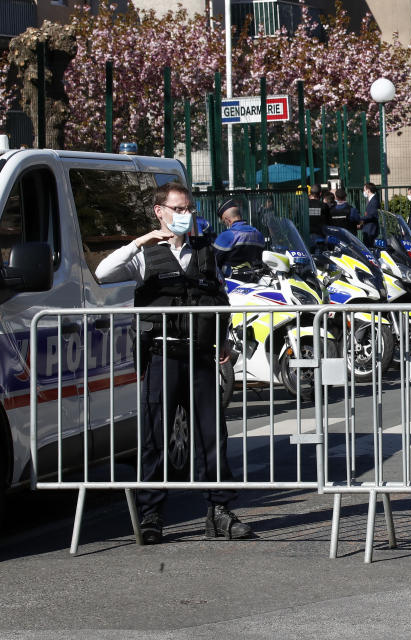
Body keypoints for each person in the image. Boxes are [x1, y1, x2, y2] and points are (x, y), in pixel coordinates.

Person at [94, 182, 253, 544]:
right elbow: (103, 272)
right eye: (178, 209)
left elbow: (219, 295)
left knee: (212, 436)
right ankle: (151, 515)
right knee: (155, 438)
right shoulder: (144, 254)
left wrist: (224, 336)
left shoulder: (204, 251)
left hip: (199, 355)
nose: (186, 216)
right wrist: (140, 241)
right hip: (162, 355)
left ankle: (220, 512)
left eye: (189, 209)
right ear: (159, 211)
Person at [212, 199, 266, 279]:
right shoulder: (258, 234)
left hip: (231, 284)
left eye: (224, 222)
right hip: (255, 281)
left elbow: (214, 261)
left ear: (227, 220)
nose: (225, 224)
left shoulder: (227, 235)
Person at [359, 182, 381, 247]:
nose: (364, 192)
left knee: (369, 247)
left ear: (368, 190)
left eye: (364, 190)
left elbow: (371, 215)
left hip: (371, 229)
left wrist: (359, 218)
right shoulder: (371, 200)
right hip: (368, 228)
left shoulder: (374, 201)